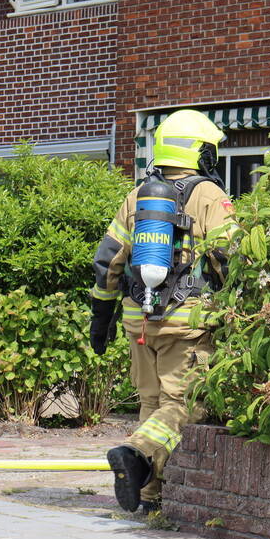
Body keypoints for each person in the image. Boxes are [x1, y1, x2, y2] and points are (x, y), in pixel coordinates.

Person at [90, 110, 236, 512]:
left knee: (152, 403)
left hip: (139, 320)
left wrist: (99, 319)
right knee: (188, 402)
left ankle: (150, 497)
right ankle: (135, 453)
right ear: (198, 152)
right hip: (186, 321)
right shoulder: (208, 195)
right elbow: (232, 254)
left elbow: (107, 261)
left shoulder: (137, 195)